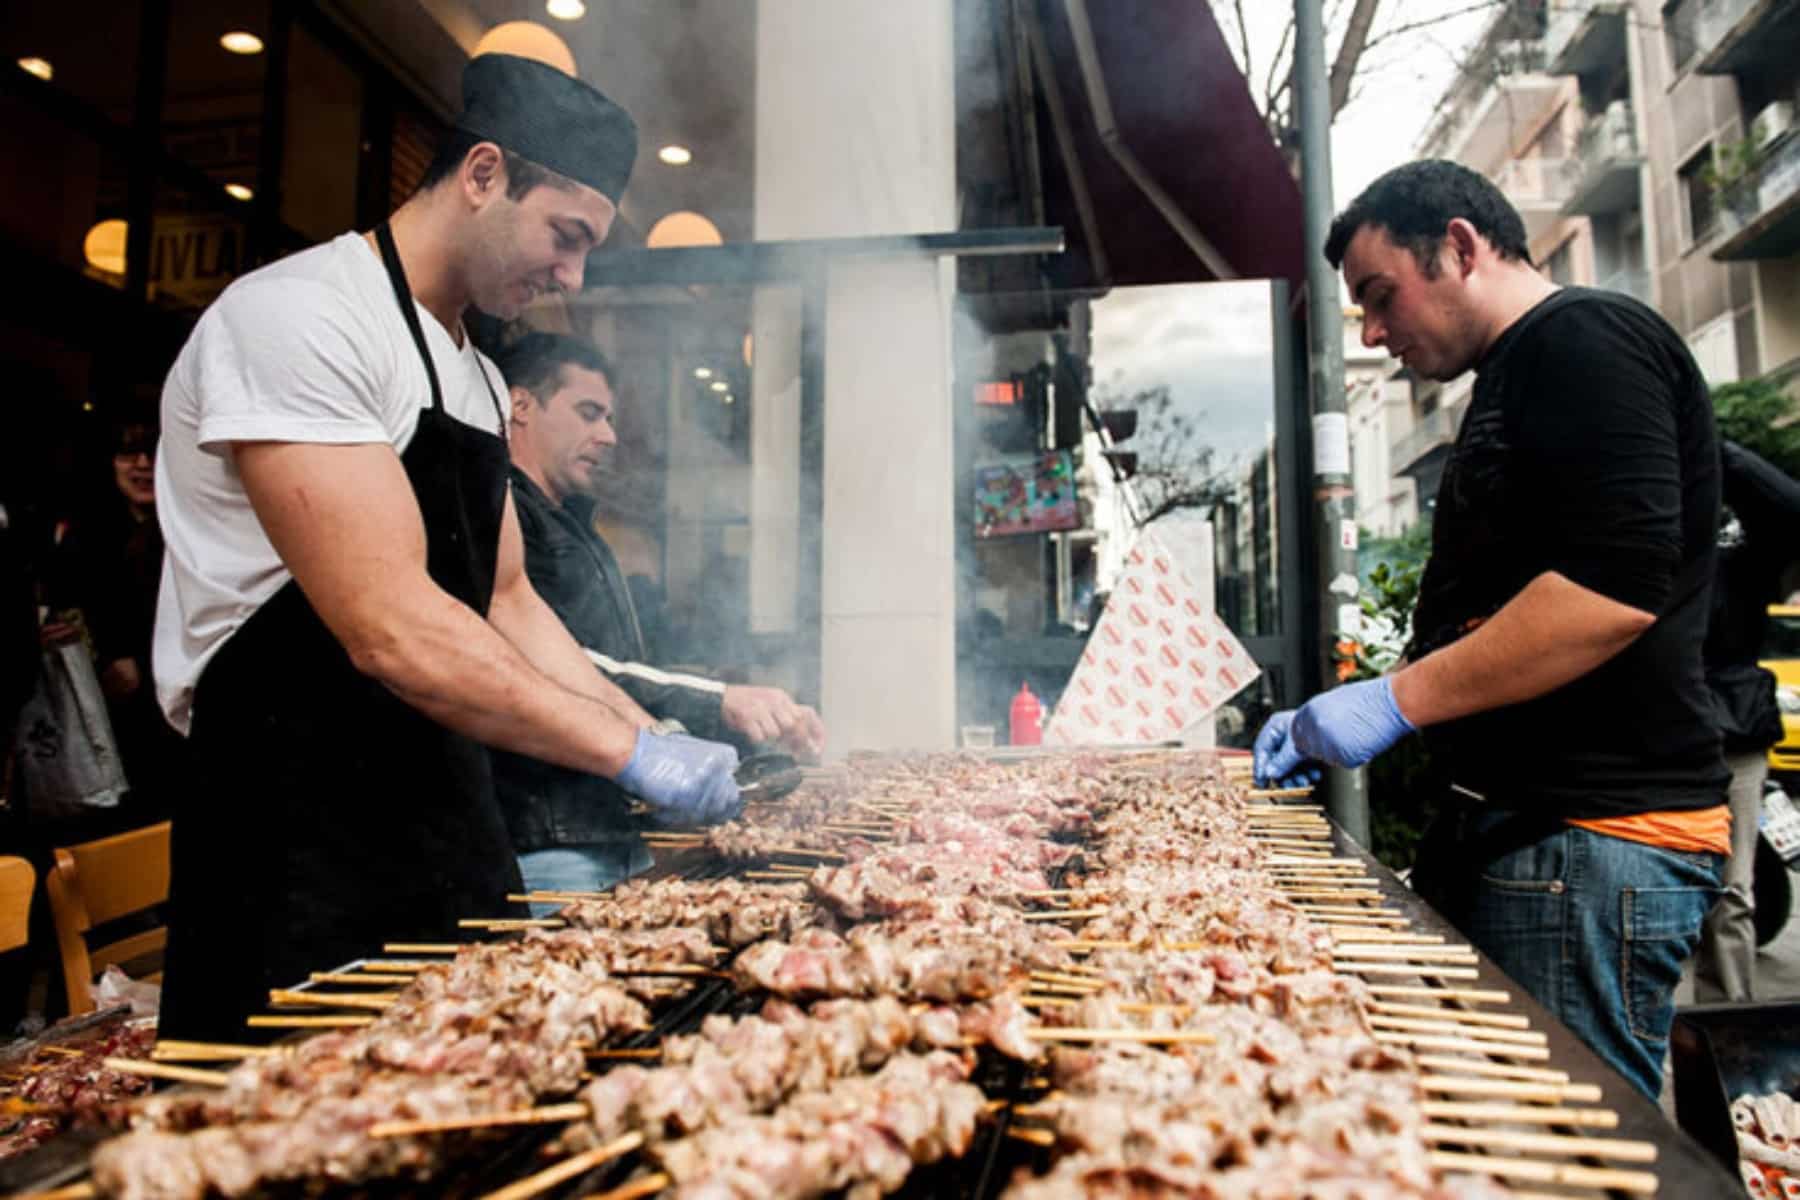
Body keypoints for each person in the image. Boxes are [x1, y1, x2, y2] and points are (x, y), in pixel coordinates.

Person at [151, 53, 744, 1040]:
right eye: (566, 235)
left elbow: (509, 602)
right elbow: (389, 627)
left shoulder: (469, 373)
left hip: (440, 808)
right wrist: (623, 751)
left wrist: (647, 724)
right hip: (295, 817)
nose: (573, 276)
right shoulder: (303, 317)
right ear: (481, 175)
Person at [1255, 160, 1727, 1101]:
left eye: (1380, 296)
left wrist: (1394, 701)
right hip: (1536, 840)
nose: (1377, 333)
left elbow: (1609, 590)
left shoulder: (1588, 339)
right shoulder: (1519, 374)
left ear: (1461, 247)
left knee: (1560, 1162)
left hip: (1588, 842)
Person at [493, 331, 826, 895]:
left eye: (610, 418)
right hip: (548, 835)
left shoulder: (568, 522)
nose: (609, 435)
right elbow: (560, 661)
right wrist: (717, 703)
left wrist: (684, 729)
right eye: (588, 413)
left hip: (600, 822)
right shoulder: (506, 518)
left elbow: (617, 668)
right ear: (520, 405)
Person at [1694, 441, 1800, 1001]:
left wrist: (1713, 443)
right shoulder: (1631, 548)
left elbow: (1789, 510)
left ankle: (1722, 1037)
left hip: (1733, 743)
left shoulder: (1741, 560)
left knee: (1731, 895)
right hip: (1648, 742)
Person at [50, 418, 185, 822]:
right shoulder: (85, 533)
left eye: (152, 451)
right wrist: (108, 654)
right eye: (128, 454)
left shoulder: (190, 527)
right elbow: (67, 603)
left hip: (179, 687)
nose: (142, 465)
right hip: (113, 700)